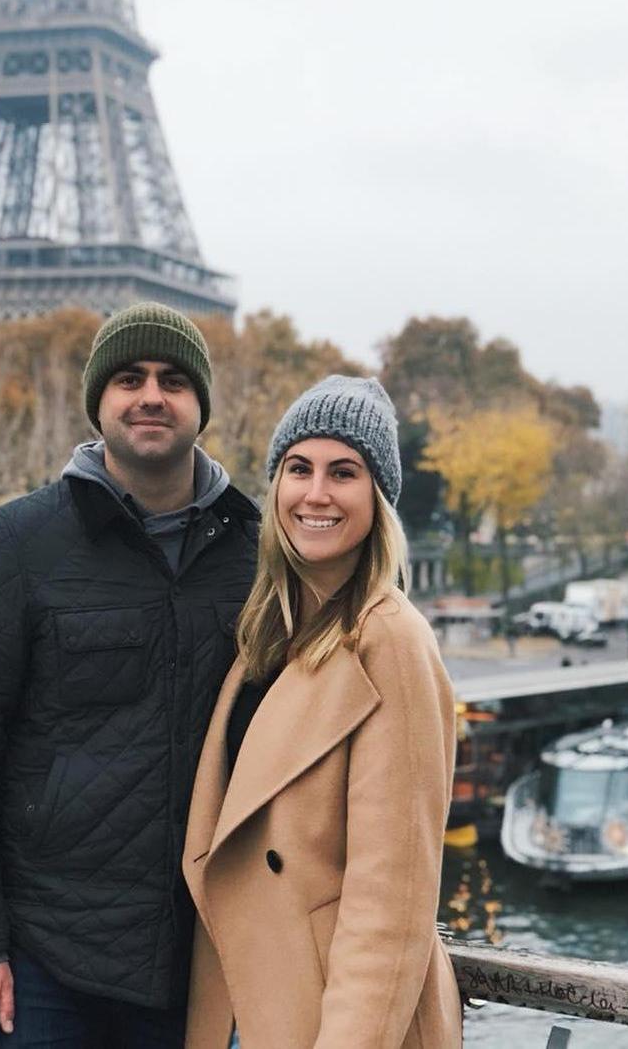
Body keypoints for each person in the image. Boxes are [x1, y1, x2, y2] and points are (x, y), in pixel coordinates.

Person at [0, 302, 260, 1049]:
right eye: (129, 378)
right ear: (98, 401)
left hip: (205, 960)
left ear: (201, 404)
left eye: (172, 380)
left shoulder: (257, 554)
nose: (150, 396)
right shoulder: (18, 542)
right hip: (46, 965)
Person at [182, 376, 462, 1049]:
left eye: (344, 472)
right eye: (298, 468)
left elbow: (390, 902)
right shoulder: (269, 630)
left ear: (377, 497)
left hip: (327, 1019)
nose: (315, 493)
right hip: (245, 1002)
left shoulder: (391, 641)